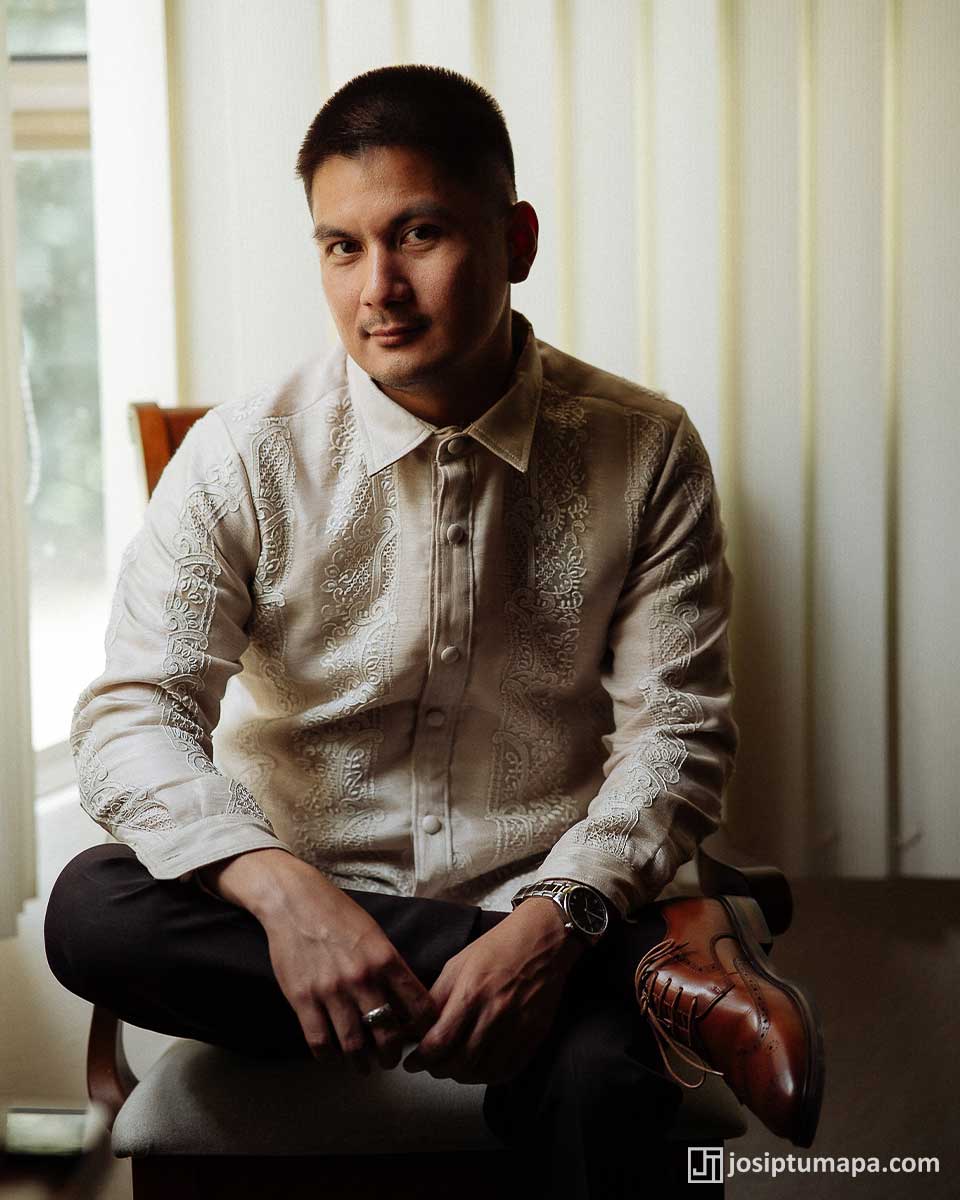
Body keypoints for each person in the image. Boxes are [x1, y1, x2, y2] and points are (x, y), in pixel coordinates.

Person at [44, 65, 823, 1196]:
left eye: (418, 234)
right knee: (91, 909)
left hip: (546, 905)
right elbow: (134, 714)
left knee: (611, 1090)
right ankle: (660, 961)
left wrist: (551, 925)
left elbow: (679, 736)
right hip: (296, 946)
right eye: (342, 247)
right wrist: (278, 887)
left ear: (516, 238)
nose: (380, 290)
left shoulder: (644, 450)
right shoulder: (242, 455)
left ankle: (593, 966)